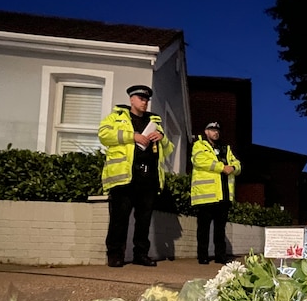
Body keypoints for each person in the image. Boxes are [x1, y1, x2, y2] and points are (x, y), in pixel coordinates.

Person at [98, 84, 174, 267]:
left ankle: (141, 254)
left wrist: (162, 139)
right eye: (141, 98)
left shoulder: (154, 122)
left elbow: (169, 149)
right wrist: (132, 136)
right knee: (119, 219)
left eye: (147, 99)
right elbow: (103, 135)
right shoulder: (116, 117)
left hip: (148, 178)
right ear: (131, 99)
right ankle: (115, 255)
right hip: (124, 177)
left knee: (144, 221)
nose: (145, 102)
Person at [190, 121, 241, 264]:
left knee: (220, 229)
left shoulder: (226, 148)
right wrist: (222, 167)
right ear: (206, 132)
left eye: (217, 130)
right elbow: (200, 161)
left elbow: (237, 164)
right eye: (212, 130)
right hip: (205, 195)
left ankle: (220, 255)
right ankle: (203, 256)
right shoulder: (199, 145)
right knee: (203, 228)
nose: (215, 132)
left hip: (223, 195)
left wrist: (233, 168)